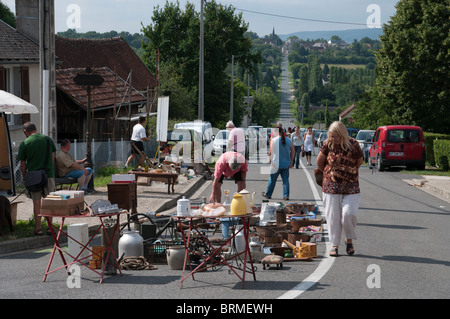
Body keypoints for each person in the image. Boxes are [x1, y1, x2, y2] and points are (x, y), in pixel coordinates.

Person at [316, 121, 363, 257]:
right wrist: (328, 173)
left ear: (342, 135)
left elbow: (359, 161)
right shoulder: (327, 144)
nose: (332, 138)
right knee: (333, 217)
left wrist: (349, 172)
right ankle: (334, 245)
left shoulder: (354, 145)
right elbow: (320, 162)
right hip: (331, 187)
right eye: (331, 135)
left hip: (351, 186)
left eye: (335, 136)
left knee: (349, 214)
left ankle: (349, 240)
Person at [17, 122, 56, 236]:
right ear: (36, 129)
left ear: (26, 132)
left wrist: (25, 177)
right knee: (50, 202)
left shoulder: (25, 143)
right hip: (48, 174)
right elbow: (53, 157)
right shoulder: (48, 139)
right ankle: (50, 228)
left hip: (33, 177)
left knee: (37, 203)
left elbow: (22, 164)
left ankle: (38, 228)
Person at [262, 125, 294, 200]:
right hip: (286, 164)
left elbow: (270, 152)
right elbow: (293, 151)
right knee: (285, 180)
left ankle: (268, 194)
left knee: (272, 180)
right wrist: (291, 161)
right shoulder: (289, 140)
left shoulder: (273, 140)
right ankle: (286, 195)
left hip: (275, 164)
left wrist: (270, 160)